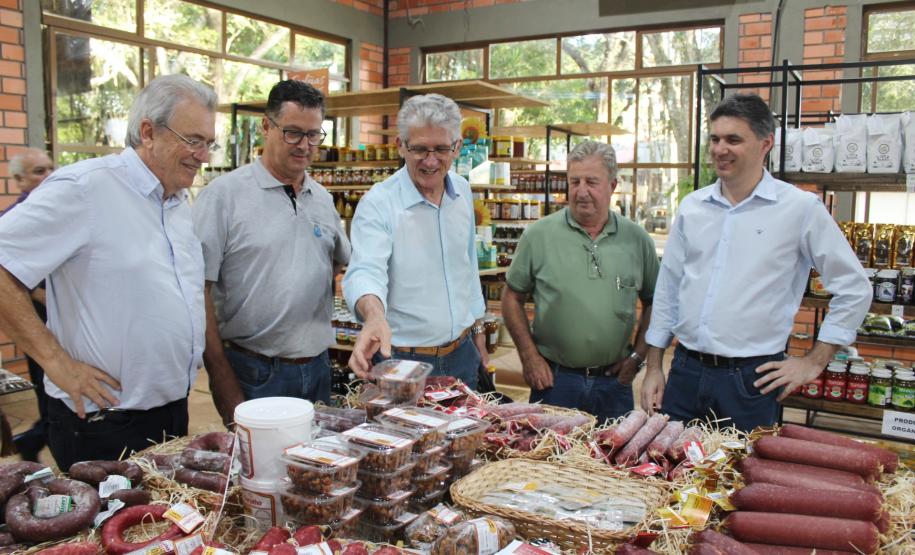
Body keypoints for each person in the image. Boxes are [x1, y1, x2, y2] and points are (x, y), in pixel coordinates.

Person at [0, 74, 216, 470]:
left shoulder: (176, 203)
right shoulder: (86, 188)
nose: (204, 156)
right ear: (148, 132)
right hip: (105, 424)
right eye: (194, 141)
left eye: (208, 143)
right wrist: (56, 362)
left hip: (172, 413)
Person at [642, 93, 872, 432]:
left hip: (750, 381)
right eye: (715, 139)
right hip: (686, 372)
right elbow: (668, 289)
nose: (720, 149)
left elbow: (854, 288)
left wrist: (814, 362)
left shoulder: (800, 209)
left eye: (734, 139)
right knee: (668, 474)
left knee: (738, 477)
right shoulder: (693, 207)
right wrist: (654, 367)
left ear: (766, 144)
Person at [193, 80, 349, 424]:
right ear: (266, 126)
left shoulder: (321, 198)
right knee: (261, 472)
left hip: (319, 367)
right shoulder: (223, 197)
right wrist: (219, 373)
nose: (304, 145)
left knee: (315, 471)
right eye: (292, 133)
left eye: (313, 135)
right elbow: (196, 291)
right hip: (254, 371)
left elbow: (345, 265)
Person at [501, 141, 658, 422]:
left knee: (611, 462)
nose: (581, 191)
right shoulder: (539, 236)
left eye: (591, 182)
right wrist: (529, 356)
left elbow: (655, 303)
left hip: (615, 383)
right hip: (554, 382)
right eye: (574, 182)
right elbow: (511, 296)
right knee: (547, 462)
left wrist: (637, 358)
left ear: (612, 185)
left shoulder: (637, 239)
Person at [343, 93, 488, 388]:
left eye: (441, 149)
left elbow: (468, 268)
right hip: (401, 362)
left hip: (463, 355)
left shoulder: (462, 193)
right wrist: (373, 316)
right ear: (401, 146)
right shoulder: (379, 203)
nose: (431, 161)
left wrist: (479, 335)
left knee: (466, 435)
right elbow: (365, 271)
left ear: (457, 147)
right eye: (420, 149)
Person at [3, 148, 54, 461]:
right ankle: (32, 441)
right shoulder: (14, 219)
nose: (48, 176)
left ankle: (33, 440)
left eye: (50, 168)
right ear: (20, 180)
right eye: (38, 171)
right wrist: (40, 294)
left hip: (65, 320)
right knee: (52, 393)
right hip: (40, 323)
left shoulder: (53, 213)